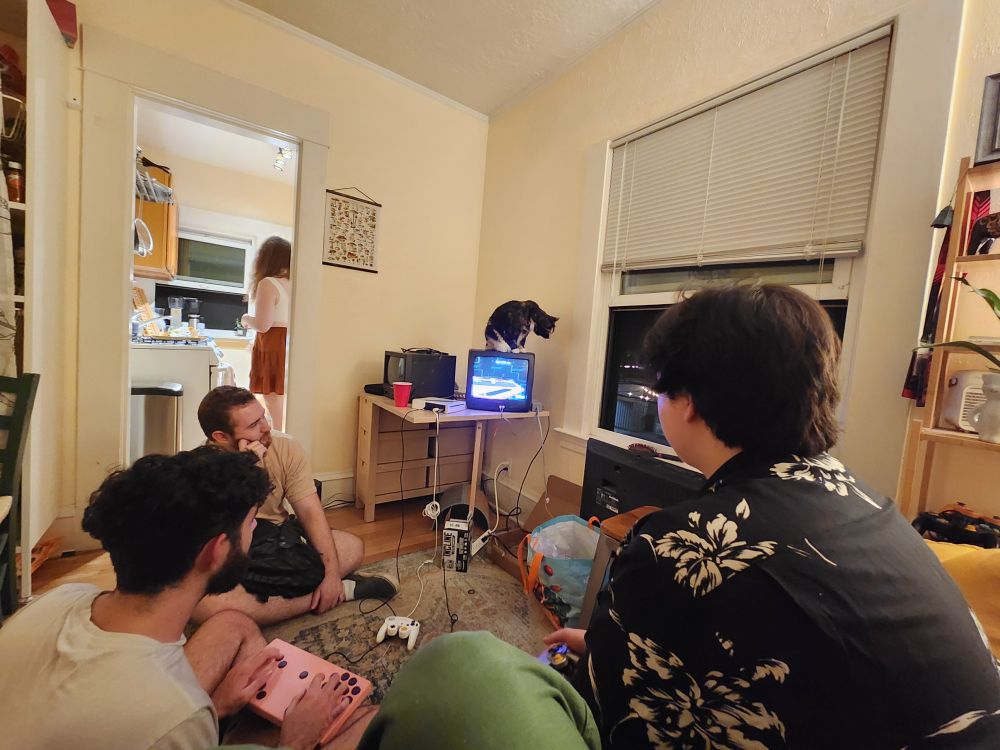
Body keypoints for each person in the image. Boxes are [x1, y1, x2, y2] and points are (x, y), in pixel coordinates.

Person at [545, 284, 1000, 748]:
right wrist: (612, 645)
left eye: (659, 386)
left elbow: (610, 721)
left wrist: (600, 662)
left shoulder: (677, 545)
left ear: (690, 401)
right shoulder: (865, 500)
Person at [0, 447, 371, 749]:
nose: (256, 531)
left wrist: (218, 704)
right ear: (215, 552)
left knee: (232, 623)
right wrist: (296, 741)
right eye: (251, 525)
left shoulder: (62, 597)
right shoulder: (178, 719)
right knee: (362, 721)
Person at [195, 385, 397, 626]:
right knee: (206, 606)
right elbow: (226, 539)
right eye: (253, 425)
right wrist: (249, 470)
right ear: (221, 437)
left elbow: (310, 512)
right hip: (237, 547)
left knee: (351, 547)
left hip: (281, 540)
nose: (266, 427)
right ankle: (341, 591)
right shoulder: (202, 468)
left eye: (263, 417)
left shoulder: (285, 446)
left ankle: (325, 587)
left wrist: (330, 574)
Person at [243, 235, 292, 431]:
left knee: (274, 406)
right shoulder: (293, 283)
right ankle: (282, 443)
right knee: (283, 403)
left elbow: (263, 325)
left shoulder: (268, 283)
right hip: (289, 343)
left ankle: (278, 445)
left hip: (272, 343)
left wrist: (245, 318)